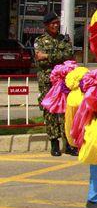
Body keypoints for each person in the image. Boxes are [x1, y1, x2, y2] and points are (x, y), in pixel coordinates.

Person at [35, 12, 75, 156]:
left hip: (63, 81)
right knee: (50, 112)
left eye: (57, 23)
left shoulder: (64, 39)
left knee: (65, 111)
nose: (56, 25)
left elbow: (69, 55)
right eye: (52, 23)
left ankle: (68, 144)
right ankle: (54, 144)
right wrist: (55, 57)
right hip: (47, 82)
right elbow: (40, 60)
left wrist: (48, 56)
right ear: (46, 25)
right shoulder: (40, 41)